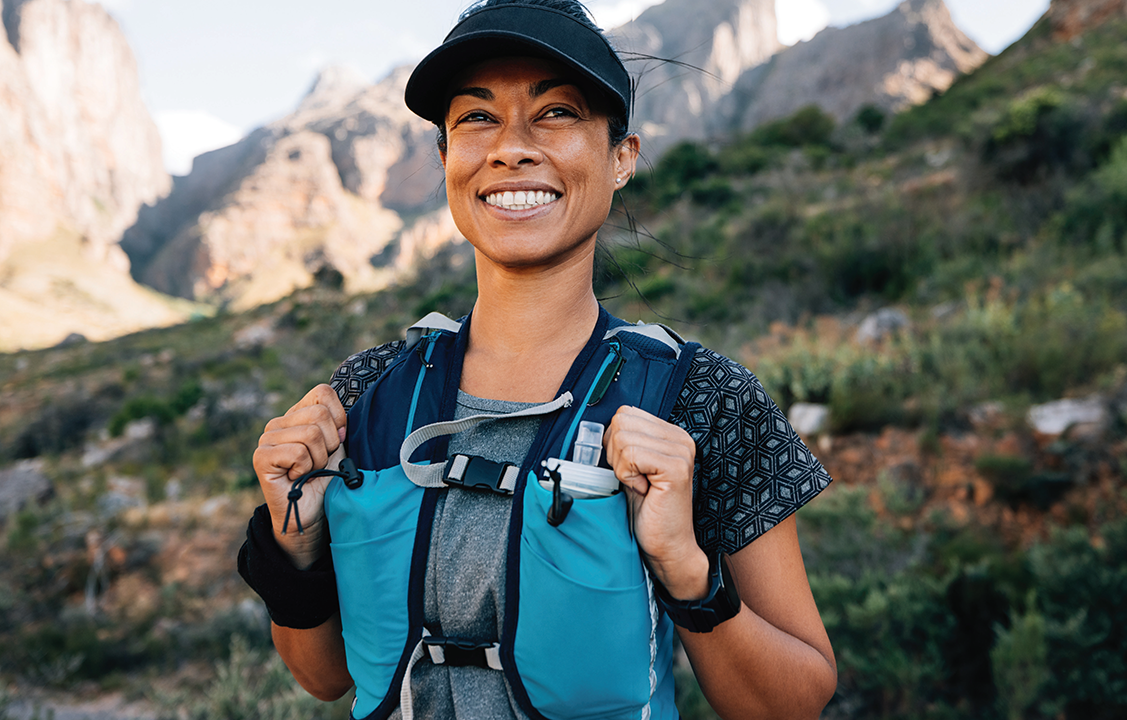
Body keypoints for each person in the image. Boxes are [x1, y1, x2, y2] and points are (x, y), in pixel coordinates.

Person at [238, 0, 838, 717]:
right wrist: (293, 546)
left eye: (555, 113)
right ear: (445, 158)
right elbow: (323, 677)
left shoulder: (701, 399)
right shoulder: (368, 393)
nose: (511, 147)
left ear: (622, 158)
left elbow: (796, 700)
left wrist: (686, 567)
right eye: (477, 118)